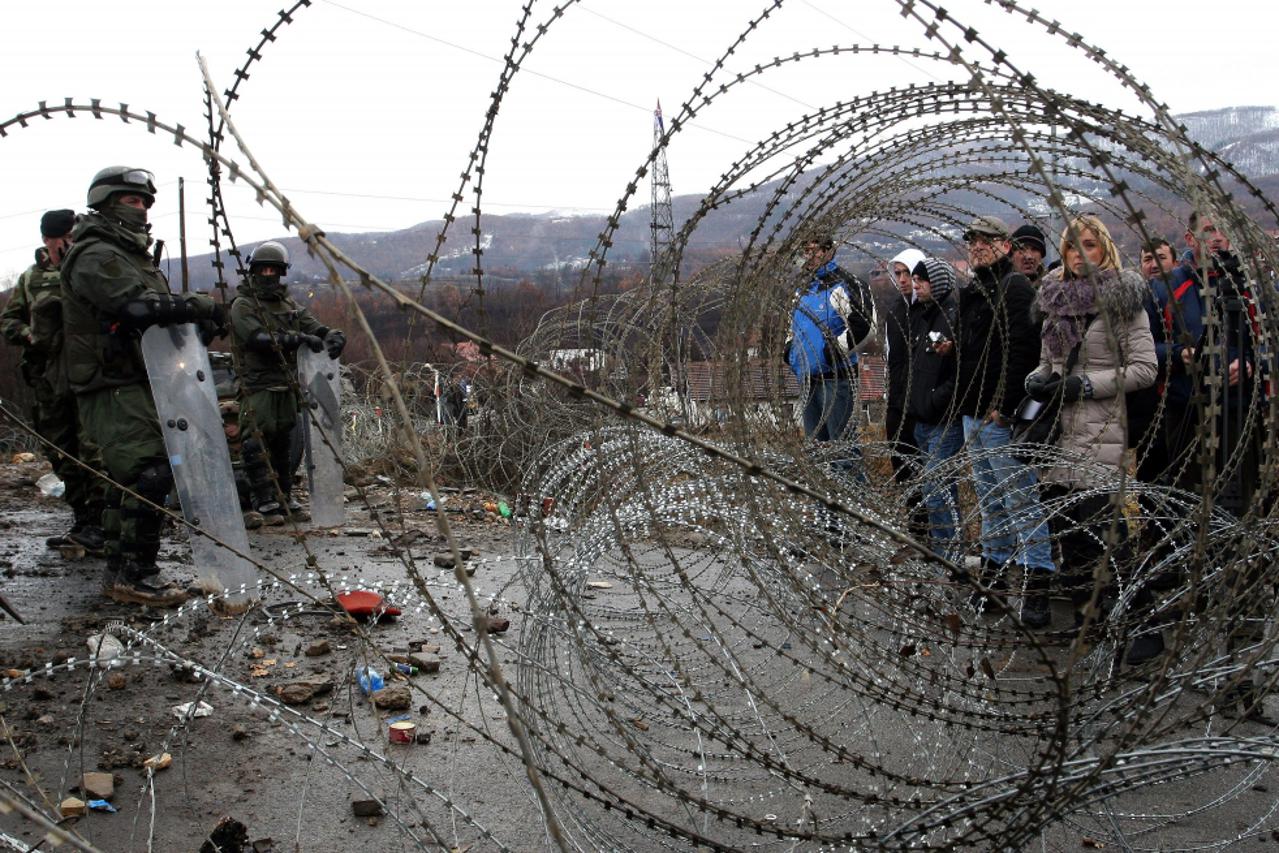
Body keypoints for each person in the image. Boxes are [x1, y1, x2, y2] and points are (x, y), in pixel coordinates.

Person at [61, 166, 224, 606]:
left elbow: (155, 316)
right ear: (107, 202)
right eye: (132, 200)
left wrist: (193, 330)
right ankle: (137, 574)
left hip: (138, 376)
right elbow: (135, 308)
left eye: (146, 202)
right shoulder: (96, 254)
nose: (141, 209)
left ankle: (122, 571)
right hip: (109, 381)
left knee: (134, 474)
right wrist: (200, 305)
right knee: (147, 470)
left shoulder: (132, 256)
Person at [1024, 216, 1157, 647]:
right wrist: (1037, 379)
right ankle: (1092, 624)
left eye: (1090, 246)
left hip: (1101, 433)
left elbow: (1145, 369)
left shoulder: (1122, 299)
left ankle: (1142, 628)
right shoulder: (1053, 298)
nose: (1080, 255)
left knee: (1110, 539)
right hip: (1058, 436)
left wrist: (1086, 385)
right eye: (1071, 247)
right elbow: (1050, 362)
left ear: (1104, 250)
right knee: (1074, 540)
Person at [953, 215, 1055, 626]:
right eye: (973, 240)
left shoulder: (1013, 287)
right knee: (991, 501)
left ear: (1005, 246)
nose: (977, 246)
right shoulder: (976, 290)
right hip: (973, 414)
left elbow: (1023, 351)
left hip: (997, 417)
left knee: (1020, 500)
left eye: (986, 240)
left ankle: (1037, 586)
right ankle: (993, 582)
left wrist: (1006, 404)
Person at [1, 210, 107, 555]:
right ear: (49, 238)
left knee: (94, 452)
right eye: (64, 237)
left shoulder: (84, 269)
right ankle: (82, 521)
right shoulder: (32, 279)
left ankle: (102, 523)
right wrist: (30, 336)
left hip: (88, 376)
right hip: (49, 379)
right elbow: (9, 322)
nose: (70, 242)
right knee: (61, 453)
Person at [230, 240, 345, 524]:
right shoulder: (243, 305)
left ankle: (284, 495)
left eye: (274, 270)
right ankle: (263, 500)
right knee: (256, 442)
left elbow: (313, 326)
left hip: (285, 383)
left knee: (283, 444)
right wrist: (294, 339)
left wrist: (332, 334)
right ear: (254, 271)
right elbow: (256, 338)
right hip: (257, 384)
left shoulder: (288, 305)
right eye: (263, 269)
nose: (268, 275)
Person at [784, 235, 876, 446]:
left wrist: (833, 351)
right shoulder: (801, 289)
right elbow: (792, 326)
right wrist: (790, 350)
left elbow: (865, 326)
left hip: (837, 379)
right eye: (805, 252)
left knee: (841, 449)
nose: (809, 256)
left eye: (814, 250)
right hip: (808, 379)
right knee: (816, 450)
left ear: (828, 251)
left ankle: (847, 481)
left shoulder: (846, 284)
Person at [906, 257, 964, 559]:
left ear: (938, 283)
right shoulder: (922, 315)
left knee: (938, 488)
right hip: (923, 420)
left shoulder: (952, 317)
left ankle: (951, 557)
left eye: (922, 280)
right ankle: (943, 553)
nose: (916, 285)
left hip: (944, 420)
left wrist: (933, 400)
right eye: (915, 280)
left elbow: (959, 373)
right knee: (934, 492)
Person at [884, 248, 927, 535]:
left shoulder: (930, 310)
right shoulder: (896, 312)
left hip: (923, 404)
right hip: (898, 402)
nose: (901, 279)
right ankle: (916, 532)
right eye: (897, 273)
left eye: (907, 273)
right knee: (904, 471)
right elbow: (891, 358)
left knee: (927, 474)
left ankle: (934, 534)